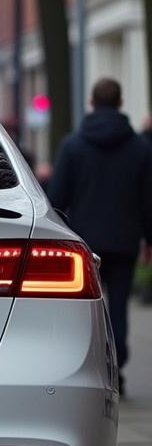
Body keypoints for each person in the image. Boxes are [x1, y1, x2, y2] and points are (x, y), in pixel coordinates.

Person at [48, 77, 152, 395]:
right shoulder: (141, 148)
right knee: (118, 307)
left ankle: (92, 370)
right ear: (120, 104)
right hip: (124, 241)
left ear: (91, 103)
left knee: (87, 311)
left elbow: (57, 197)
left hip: (84, 244)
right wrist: (149, 238)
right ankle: (117, 367)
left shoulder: (72, 146)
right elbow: (148, 199)